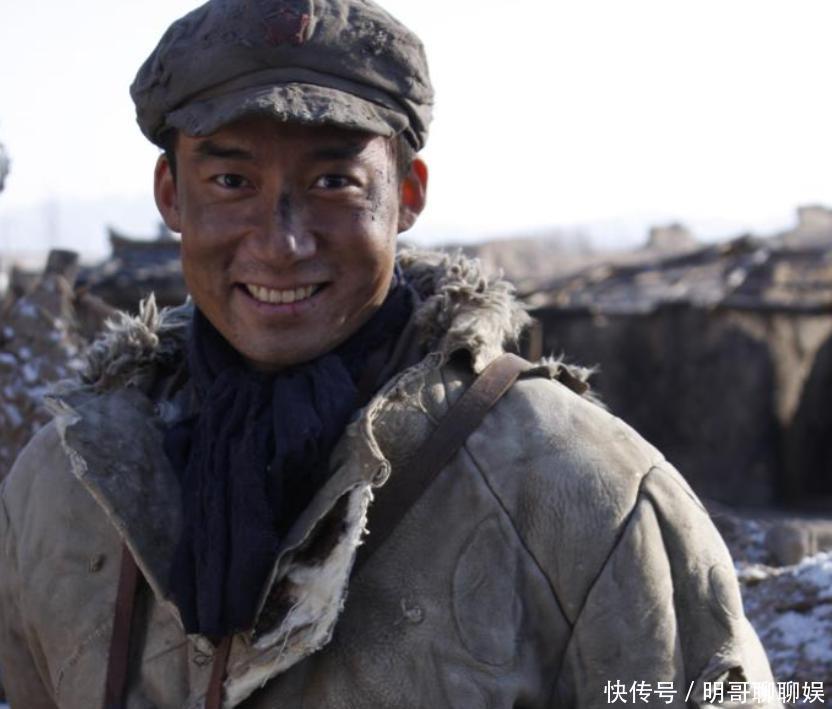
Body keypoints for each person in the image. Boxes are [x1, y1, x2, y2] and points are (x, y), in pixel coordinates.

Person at [0, 0, 780, 707]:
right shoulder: (65, 490)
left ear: (407, 194)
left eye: (334, 181)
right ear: (171, 194)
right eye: (231, 180)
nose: (282, 243)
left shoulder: (582, 489)